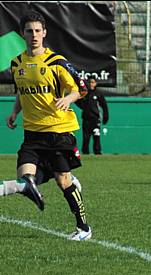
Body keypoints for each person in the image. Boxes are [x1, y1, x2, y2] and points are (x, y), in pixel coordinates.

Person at [4, 11, 92, 241]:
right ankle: (35, 182)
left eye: (37, 31)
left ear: (44, 33)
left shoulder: (56, 62)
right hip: (32, 132)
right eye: (29, 31)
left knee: (63, 181)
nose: (33, 35)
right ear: (22, 34)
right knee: (26, 179)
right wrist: (14, 111)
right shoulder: (17, 64)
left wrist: (68, 99)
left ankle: (84, 228)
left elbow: (81, 89)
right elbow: (22, 92)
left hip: (58, 131)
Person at [75, 77, 109, 155]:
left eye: (93, 82)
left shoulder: (98, 93)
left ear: (96, 83)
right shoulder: (85, 93)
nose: (91, 84)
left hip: (95, 119)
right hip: (86, 119)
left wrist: (105, 116)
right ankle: (85, 152)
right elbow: (77, 100)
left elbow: (104, 105)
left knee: (96, 135)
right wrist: (83, 107)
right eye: (90, 82)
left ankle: (97, 152)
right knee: (86, 137)